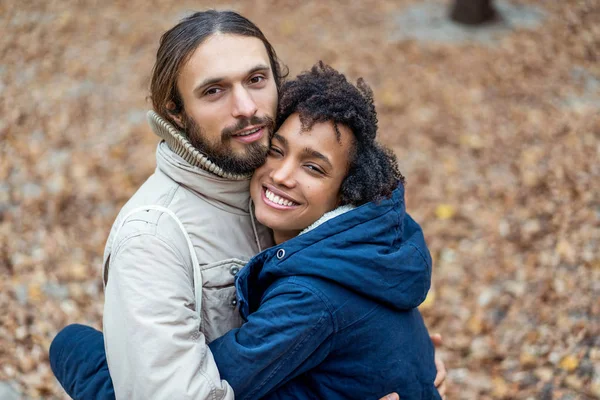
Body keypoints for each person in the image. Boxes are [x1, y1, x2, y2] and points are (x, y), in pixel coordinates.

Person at [49, 10, 447, 400]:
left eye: (256, 80)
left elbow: (350, 289)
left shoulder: (276, 186)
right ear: (176, 112)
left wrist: (400, 359)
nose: (246, 107)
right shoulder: (153, 240)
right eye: (214, 90)